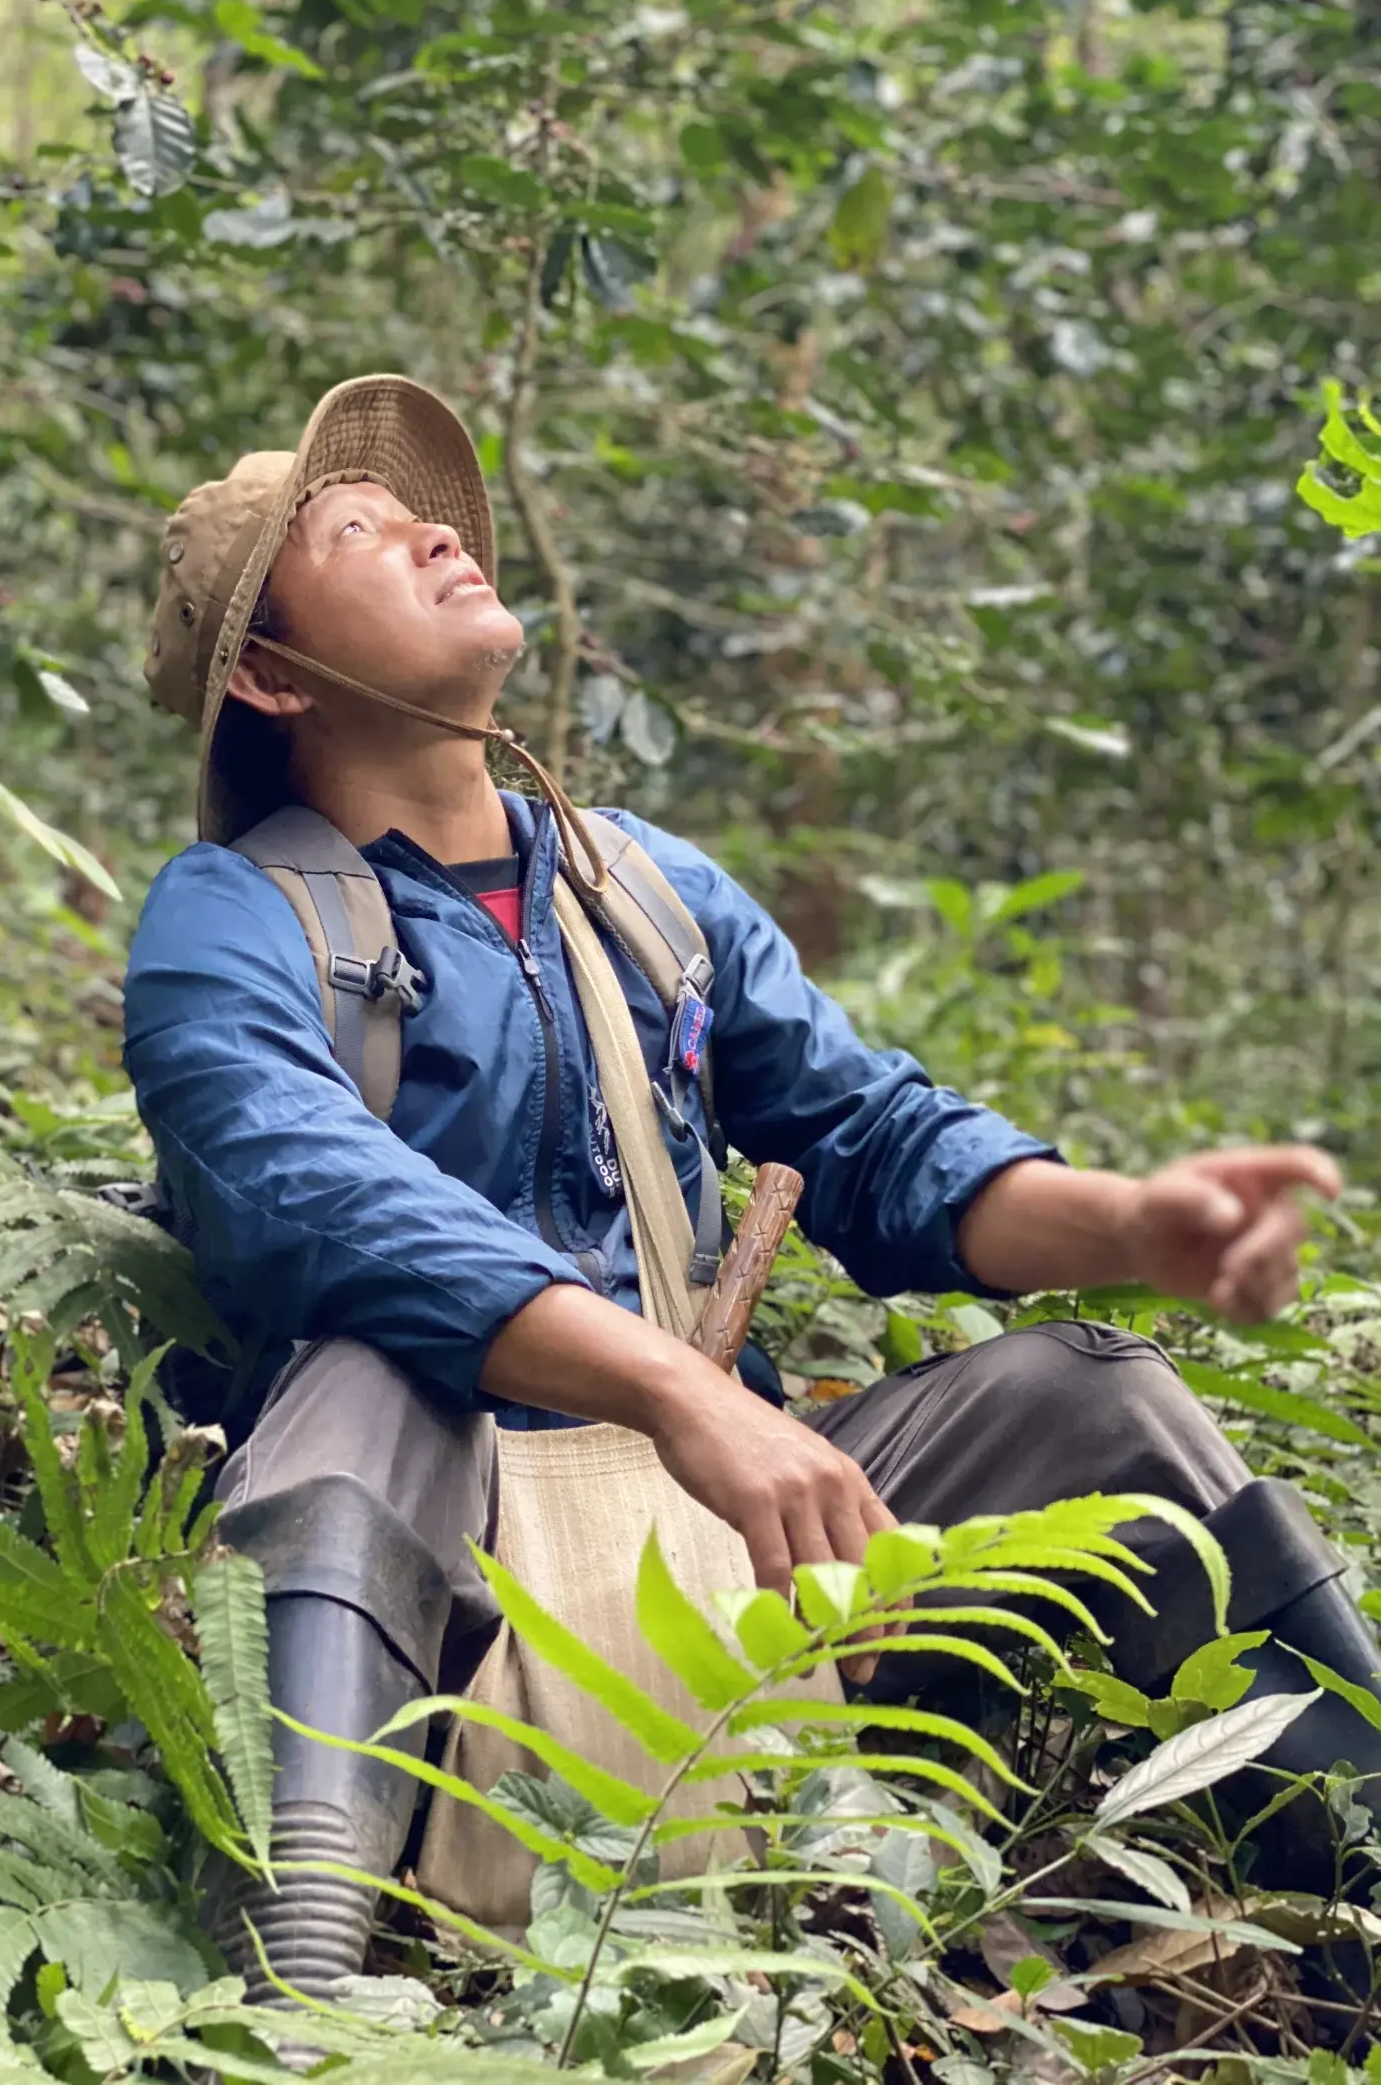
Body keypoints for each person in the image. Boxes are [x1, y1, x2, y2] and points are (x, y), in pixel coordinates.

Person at [124, 376, 1379, 2001]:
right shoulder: (230, 915)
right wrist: (665, 1385)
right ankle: (298, 1975)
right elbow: (298, 1185)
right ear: (275, 675)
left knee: (1103, 1403)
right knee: (364, 1378)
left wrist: (1131, 1223)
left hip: (748, 1559)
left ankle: (1355, 1875)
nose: (436, 528)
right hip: (448, 1594)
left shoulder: (641, 889)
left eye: (428, 511)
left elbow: (876, 1139)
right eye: (358, 530)